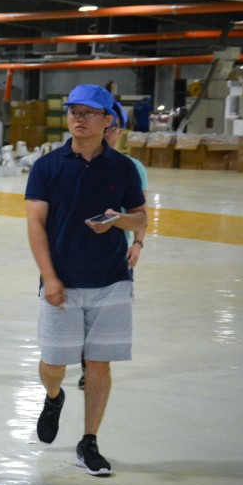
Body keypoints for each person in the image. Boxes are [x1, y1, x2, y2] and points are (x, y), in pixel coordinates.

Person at [26, 84, 146, 476]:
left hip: (112, 279)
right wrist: (50, 278)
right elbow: (35, 224)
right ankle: (53, 397)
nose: (79, 118)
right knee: (54, 363)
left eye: (89, 112)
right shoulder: (47, 166)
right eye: (74, 111)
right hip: (62, 280)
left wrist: (119, 221)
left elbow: (141, 217)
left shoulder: (123, 168)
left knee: (99, 363)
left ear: (107, 120)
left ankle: (89, 441)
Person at [79, 100, 148, 390]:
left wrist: (138, 243)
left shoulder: (131, 168)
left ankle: (92, 366)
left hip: (115, 252)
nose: (108, 133)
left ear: (119, 131)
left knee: (103, 316)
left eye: (113, 128)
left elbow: (140, 211)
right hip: (79, 249)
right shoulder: (77, 162)